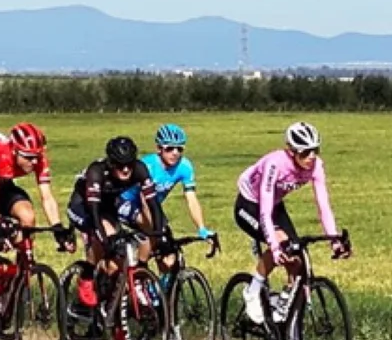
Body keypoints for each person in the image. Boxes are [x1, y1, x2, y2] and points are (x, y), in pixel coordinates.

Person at [0, 122, 68, 340]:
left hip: (5, 185)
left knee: (27, 216)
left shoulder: (38, 158)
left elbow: (47, 197)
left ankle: (17, 277)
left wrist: (58, 228)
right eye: (28, 158)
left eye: (36, 157)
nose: (33, 163)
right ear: (14, 150)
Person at [233, 121, 348, 325]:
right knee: (280, 242)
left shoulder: (316, 166)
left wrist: (334, 240)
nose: (311, 157)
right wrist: (275, 247)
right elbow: (265, 212)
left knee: (298, 257)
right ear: (291, 151)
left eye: (315, 150)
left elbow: (323, 206)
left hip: (276, 204)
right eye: (305, 153)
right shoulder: (275, 164)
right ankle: (252, 291)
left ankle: (284, 305)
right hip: (250, 203)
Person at [70, 137, 163, 316]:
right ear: (111, 163)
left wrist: (157, 233)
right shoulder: (97, 171)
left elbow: (154, 205)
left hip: (109, 204)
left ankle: (114, 313)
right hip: (84, 206)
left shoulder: (140, 169)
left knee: (120, 260)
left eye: (129, 164)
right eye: (120, 165)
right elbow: (95, 214)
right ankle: (87, 275)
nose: (126, 169)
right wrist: (106, 241)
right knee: (105, 238)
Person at [141, 123, 212, 245]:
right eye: (169, 148)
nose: (175, 153)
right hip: (130, 205)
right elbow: (143, 203)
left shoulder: (184, 166)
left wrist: (202, 228)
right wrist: (155, 230)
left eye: (180, 149)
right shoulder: (147, 167)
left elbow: (191, 199)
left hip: (153, 208)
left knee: (169, 257)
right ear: (159, 149)